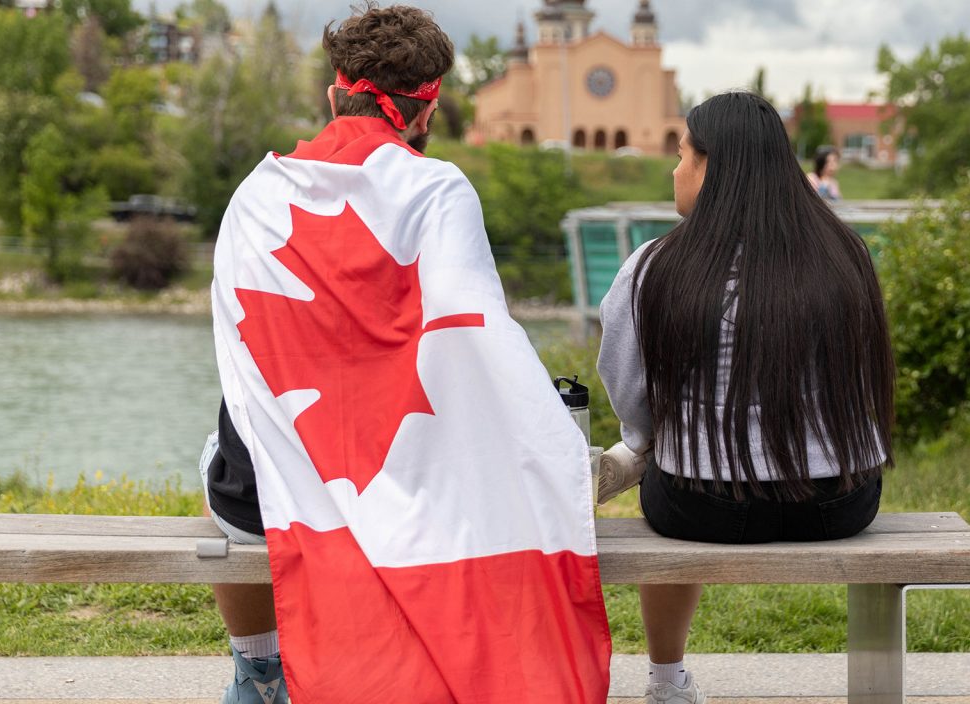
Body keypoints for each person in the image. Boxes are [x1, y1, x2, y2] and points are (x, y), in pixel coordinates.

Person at [201, 4, 610, 703]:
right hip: (397, 474)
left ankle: (256, 670)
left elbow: (243, 347)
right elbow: (474, 332)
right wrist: (554, 441)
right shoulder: (439, 187)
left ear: (337, 90)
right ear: (425, 111)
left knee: (225, 437)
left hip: (260, 492)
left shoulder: (255, 192)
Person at [598, 91, 895, 704]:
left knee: (658, 462)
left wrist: (651, 443)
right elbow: (860, 387)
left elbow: (632, 400)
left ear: (711, 168)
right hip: (839, 500)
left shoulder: (654, 268)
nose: (674, 171)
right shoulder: (846, 256)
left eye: (682, 156)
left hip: (699, 505)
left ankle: (667, 682)